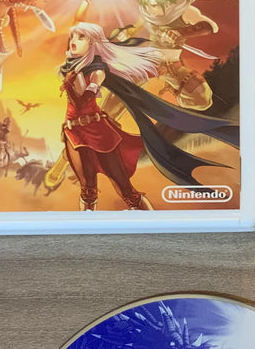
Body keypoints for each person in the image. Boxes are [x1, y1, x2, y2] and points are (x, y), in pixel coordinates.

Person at [54, 23, 240, 211]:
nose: (189, 78)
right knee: (93, 182)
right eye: (196, 79)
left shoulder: (142, 74)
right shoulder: (173, 48)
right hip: (109, 56)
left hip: (97, 103)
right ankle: (68, 168)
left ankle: (67, 165)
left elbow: (111, 100)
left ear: (178, 91)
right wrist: (178, 31)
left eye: (189, 85)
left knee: (121, 184)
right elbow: (209, 27)